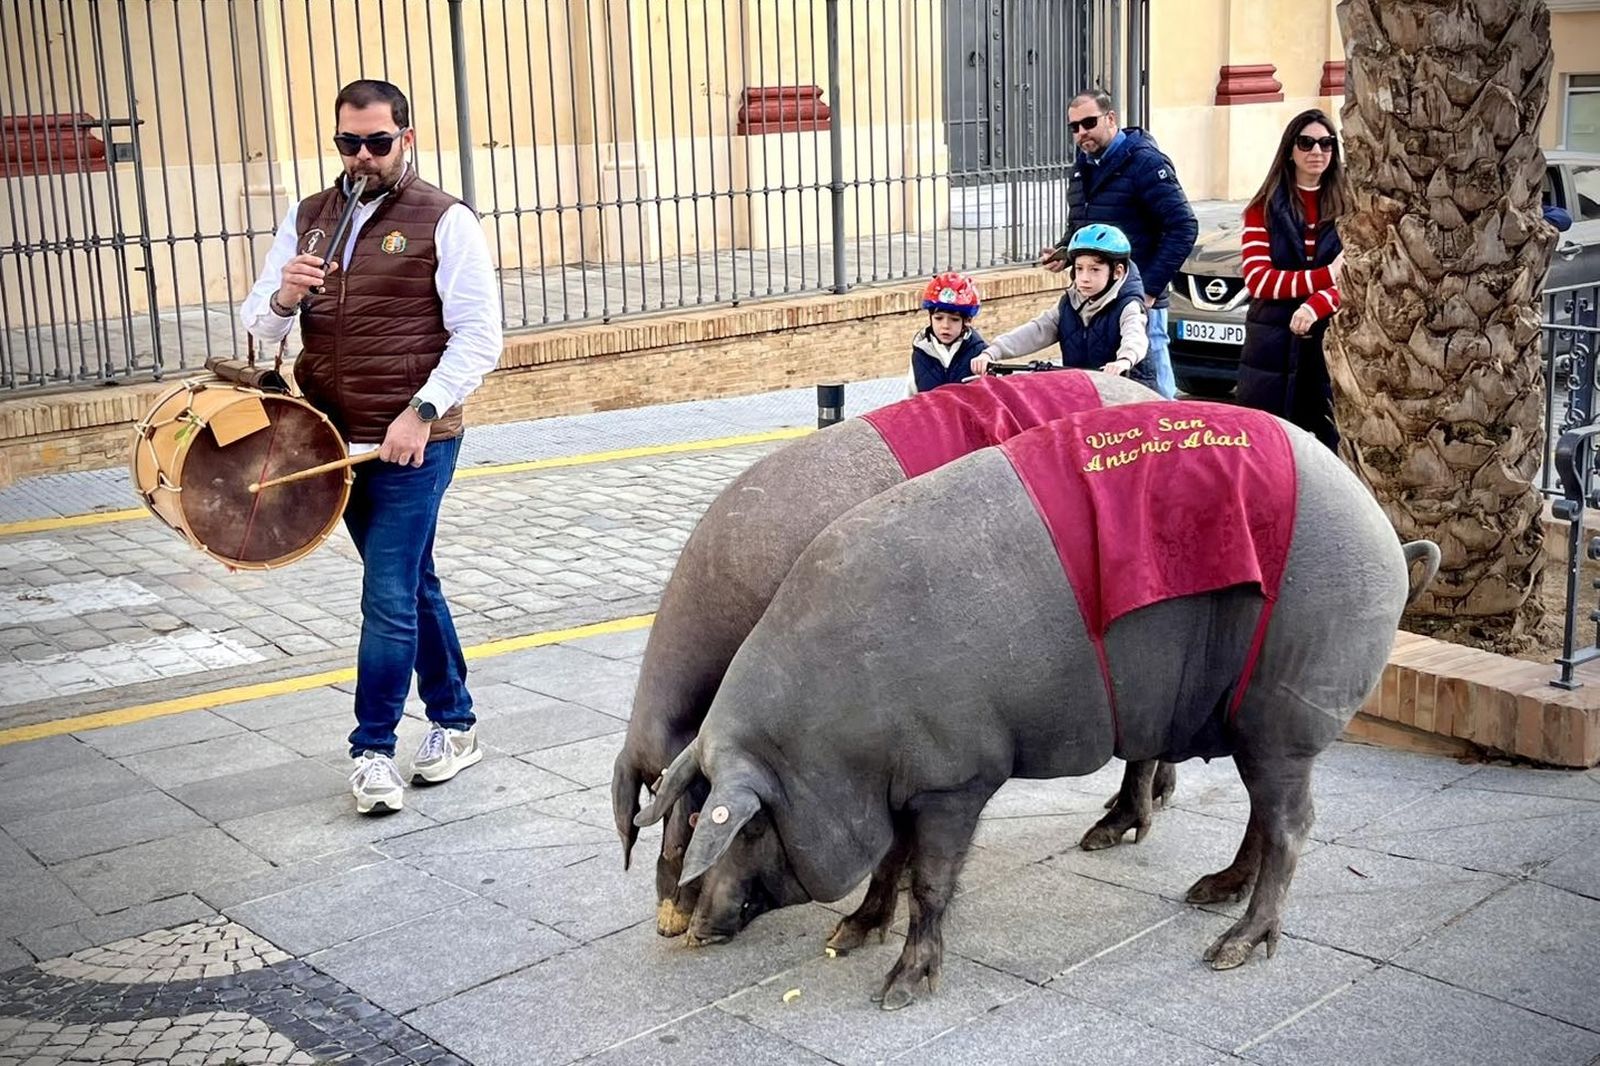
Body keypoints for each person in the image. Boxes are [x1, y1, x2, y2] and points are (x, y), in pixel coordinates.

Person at [240, 79, 503, 815]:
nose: (362, 157)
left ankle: (372, 751)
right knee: (413, 584)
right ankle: (456, 725)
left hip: (414, 441)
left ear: (406, 140)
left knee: (387, 594)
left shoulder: (444, 220)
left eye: (377, 143)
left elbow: (481, 337)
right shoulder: (309, 220)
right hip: (331, 443)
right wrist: (285, 297)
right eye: (348, 143)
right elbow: (257, 325)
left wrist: (420, 413)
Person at [1040, 91, 1196, 399]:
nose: (1081, 132)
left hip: (1138, 303)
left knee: (1155, 395)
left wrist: (1148, 290)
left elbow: (1184, 227)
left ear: (1111, 119)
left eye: (1089, 122)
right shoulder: (1083, 166)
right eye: (1074, 127)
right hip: (1093, 303)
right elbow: (1084, 227)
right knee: (1107, 399)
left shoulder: (1145, 163)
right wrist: (1065, 251)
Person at [1235, 108, 1348, 450]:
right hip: (1271, 344)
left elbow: (1358, 279)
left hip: (1331, 344)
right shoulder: (1263, 208)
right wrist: (1326, 276)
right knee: (1269, 445)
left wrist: (1317, 305)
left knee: (1330, 448)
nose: (1317, 152)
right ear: (1290, 150)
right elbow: (1258, 281)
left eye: (1326, 144)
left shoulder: (1350, 207)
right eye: (1306, 143)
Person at [969, 224, 1152, 386]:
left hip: (1130, 391)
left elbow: (1135, 337)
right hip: (1085, 388)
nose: (1084, 278)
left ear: (1117, 272)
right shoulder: (1069, 303)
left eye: (1094, 270)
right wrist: (993, 351)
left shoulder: (1128, 306)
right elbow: (1037, 329)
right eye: (1079, 268)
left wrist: (1124, 361)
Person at [908, 271, 987, 393]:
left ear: (967, 320)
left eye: (954, 320)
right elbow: (911, 396)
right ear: (930, 317)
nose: (945, 326)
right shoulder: (921, 352)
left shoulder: (980, 352)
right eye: (938, 318)